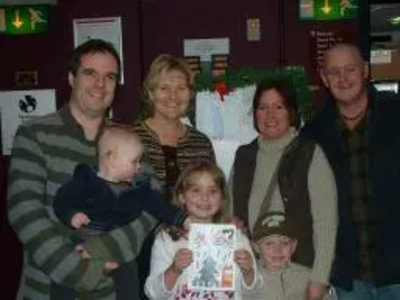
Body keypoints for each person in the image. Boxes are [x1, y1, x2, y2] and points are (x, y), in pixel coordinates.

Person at [6, 39, 157, 299]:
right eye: (90, 73)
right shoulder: (34, 134)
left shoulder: (126, 140)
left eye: (110, 76)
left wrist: (104, 249)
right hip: (46, 290)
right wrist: (80, 271)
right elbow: (25, 213)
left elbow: (151, 204)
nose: (100, 84)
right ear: (71, 78)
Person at [301, 43, 400, 299]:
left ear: (365, 70)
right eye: (333, 72)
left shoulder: (395, 113)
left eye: (350, 69)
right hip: (348, 277)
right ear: (324, 78)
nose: (343, 78)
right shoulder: (312, 134)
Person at [52, 124, 191, 299]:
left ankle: (104, 270)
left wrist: (183, 219)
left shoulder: (137, 190)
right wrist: (71, 215)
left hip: (117, 247)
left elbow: (159, 206)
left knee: (130, 276)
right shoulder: (85, 180)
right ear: (112, 159)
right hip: (83, 237)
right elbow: (62, 199)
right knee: (65, 271)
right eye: (134, 161)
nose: (139, 167)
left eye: (139, 161)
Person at [230, 79, 338, 300]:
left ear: (291, 112)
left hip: (300, 280)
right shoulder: (244, 156)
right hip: (254, 281)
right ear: (255, 113)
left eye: (278, 107)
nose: (270, 115)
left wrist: (318, 282)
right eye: (263, 107)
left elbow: (326, 225)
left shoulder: (310, 154)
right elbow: (229, 213)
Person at [133, 53, 216, 297]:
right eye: (164, 87)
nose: (172, 96)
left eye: (181, 88)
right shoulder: (130, 138)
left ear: (190, 93)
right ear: (150, 92)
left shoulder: (201, 143)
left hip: (188, 248)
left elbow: (213, 194)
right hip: (138, 246)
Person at [145, 160, 260, 299]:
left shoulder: (236, 238)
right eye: (196, 190)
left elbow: (253, 293)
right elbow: (153, 294)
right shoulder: (167, 239)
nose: (205, 197)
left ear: (222, 198)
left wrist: (248, 272)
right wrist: (174, 270)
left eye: (212, 191)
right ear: (182, 197)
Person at [248, 211, 333, 300]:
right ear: (256, 247)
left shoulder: (308, 277)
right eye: (269, 243)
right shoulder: (248, 276)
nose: (277, 250)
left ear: (293, 246)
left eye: (285, 243)